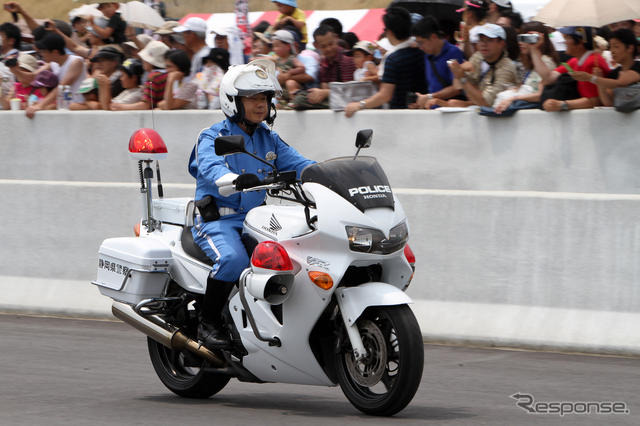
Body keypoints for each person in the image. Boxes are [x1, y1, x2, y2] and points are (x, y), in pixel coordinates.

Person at [188, 59, 315, 348]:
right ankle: (207, 323)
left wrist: (328, 174)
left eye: (265, 98)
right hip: (218, 221)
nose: (261, 105)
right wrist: (229, 178)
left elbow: (300, 163)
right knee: (233, 260)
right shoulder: (212, 136)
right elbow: (210, 166)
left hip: (257, 219)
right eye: (253, 98)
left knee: (295, 258)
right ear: (233, 101)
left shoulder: (269, 139)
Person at [344, 6, 427, 117]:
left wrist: (359, 105)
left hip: (400, 114)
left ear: (390, 32)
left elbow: (385, 95)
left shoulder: (393, 59)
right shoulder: (422, 49)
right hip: (424, 110)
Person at [531, 26, 610, 112]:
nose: (564, 42)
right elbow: (549, 78)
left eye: (567, 38)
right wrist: (534, 50)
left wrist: (563, 104)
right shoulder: (576, 60)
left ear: (580, 42)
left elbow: (595, 101)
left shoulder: (592, 63)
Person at [492, 21, 558, 114]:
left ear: (537, 39)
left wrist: (513, 98)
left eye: (526, 39)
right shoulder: (530, 62)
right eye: (520, 38)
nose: (520, 43)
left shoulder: (545, 62)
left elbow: (540, 95)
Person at [446, 23, 518, 108]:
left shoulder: (507, 67)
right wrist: (459, 71)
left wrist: (462, 77)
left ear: (501, 43)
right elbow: (458, 87)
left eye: (489, 40)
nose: (483, 44)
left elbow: (486, 102)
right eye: (481, 40)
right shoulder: (478, 56)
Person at [570, 29, 640, 107]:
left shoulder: (637, 66)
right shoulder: (614, 73)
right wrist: (599, 81)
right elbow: (608, 102)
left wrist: (591, 78)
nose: (612, 51)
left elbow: (620, 83)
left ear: (630, 48)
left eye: (616, 47)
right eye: (611, 47)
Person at [26, 32, 86, 118]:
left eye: (43, 51)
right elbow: (31, 77)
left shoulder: (76, 62)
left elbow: (62, 86)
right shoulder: (53, 64)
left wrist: (40, 105)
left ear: (55, 52)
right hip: (64, 109)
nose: (41, 54)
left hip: (78, 109)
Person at [411, 15, 465, 109]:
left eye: (421, 42)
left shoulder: (453, 53)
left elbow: (457, 88)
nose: (420, 47)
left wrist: (430, 97)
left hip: (449, 111)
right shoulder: (427, 56)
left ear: (433, 37)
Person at [126, 40, 169, 110]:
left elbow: (146, 105)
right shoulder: (166, 74)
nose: (142, 60)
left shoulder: (154, 77)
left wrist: (119, 106)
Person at [270, 29, 305, 105]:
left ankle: (294, 101)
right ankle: (281, 102)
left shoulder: (292, 59)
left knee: (290, 83)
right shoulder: (277, 60)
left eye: (277, 46)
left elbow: (302, 68)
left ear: (288, 46)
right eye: (273, 46)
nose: (274, 49)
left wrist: (290, 73)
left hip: (292, 85)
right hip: (282, 86)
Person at [172, 17, 210, 81]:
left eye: (184, 33)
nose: (183, 36)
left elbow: (200, 81)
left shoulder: (203, 55)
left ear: (192, 34)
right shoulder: (200, 54)